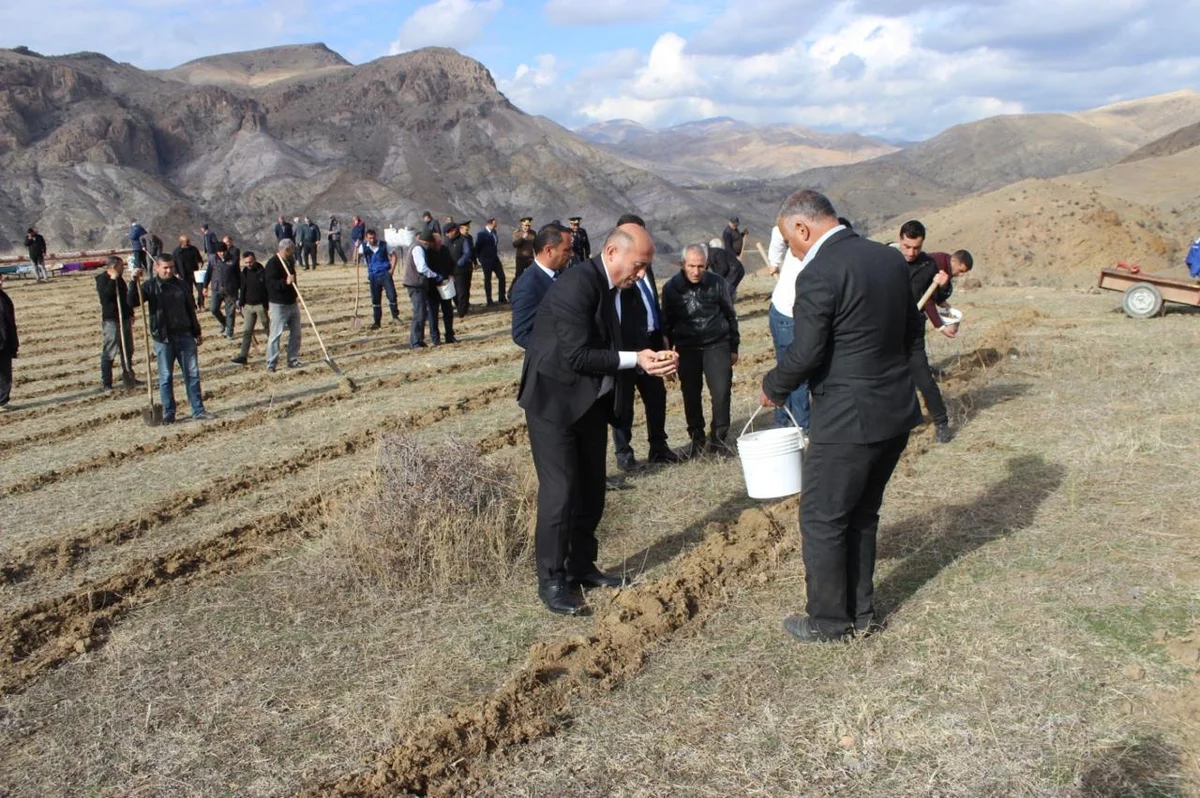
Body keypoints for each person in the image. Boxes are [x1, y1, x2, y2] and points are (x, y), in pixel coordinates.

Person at [760, 190, 922, 643]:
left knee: (823, 517)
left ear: (802, 229)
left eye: (790, 241)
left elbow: (806, 352)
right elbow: (912, 330)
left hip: (847, 418)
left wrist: (773, 386)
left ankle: (829, 621)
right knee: (863, 513)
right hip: (894, 411)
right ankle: (862, 612)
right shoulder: (889, 259)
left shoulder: (819, 272)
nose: (792, 251)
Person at [519, 223, 679, 615]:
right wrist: (635, 359)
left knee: (592, 488)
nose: (641, 275)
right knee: (561, 492)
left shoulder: (614, 287)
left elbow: (615, 341)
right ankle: (553, 580)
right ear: (612, 254)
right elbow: (578, 355)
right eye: (638, 266)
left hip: (590, 401)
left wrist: (650, 357)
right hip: (555, 404)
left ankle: (581, 565)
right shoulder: (579, 285)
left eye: (645, 268)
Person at [610, 216, 677, 470]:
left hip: (652, 339)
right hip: (627, 346)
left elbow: (652, 304)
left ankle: (658, 447)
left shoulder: (644, 267)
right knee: (623, 403)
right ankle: (624, 455)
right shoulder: (617, 269)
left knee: (656, 396)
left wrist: (661, 336)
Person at [662, 243, 739, 458]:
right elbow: (666, 324)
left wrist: (734, 347)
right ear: (682, 265)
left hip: (717, 344)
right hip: (687, 348)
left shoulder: (717, 283)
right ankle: (697, 438)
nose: (696, 271)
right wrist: (667, 353)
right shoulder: (671, 288)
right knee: (691, 394)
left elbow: (730, 315)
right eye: (692, 266)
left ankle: (719, 439)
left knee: (722, 392)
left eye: (701, 266)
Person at [129, 255, 215, 423]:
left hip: (185, 336)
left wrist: (197, 331)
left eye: (171, 267)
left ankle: (198, 410)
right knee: (166, 377)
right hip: (163, 338)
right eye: (165, 268)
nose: (169, 271)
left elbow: (190, 309)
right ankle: (169, 413)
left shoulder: (181, 284)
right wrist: (133, 281)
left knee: (192, 374)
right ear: (157, 268)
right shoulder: (150, 286)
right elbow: (132, 301)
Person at [898, 220, 954, 443]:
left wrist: (943, 285)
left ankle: (941, 421)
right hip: (886, 330)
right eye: (907, 246)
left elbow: (939, 299)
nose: (911, 252)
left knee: (923, 378)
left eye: (916, 248)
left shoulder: (928, 265)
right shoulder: (886, 259)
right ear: (900, 239)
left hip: (912, 332)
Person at [765, 222, 812, 433]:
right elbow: (778, 230)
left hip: (788, 311)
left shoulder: (809, 238)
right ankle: (797, 428)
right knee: (796, 373)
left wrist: (775, 262)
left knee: (789, 370)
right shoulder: (809, 242)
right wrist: (774, 261)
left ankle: (788, 425)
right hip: (788, 314)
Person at [510, 222, 573, 349]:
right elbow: (522, 334)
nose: (572, 254)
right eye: (567, 250)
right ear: (549, 250)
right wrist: (560, 352)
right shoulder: (527, 286)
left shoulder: (564, 274)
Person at [96, 256, 139, 391]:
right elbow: (106, 297)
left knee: (127, 348)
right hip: (111, 320)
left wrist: (130, 313)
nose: (123, 268)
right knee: (110, 349)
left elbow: (125, 297)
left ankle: (128, 376)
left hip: (124, 318)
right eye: (121, 266)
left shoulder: (120, 280)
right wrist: (112, 279)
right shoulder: (102, 279)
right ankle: (107, 382)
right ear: (113, 267)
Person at [399, 230, 444, 349]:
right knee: (419, 313)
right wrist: (435, 275)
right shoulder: (418, 249)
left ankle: (420, 340)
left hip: (417, 284)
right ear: (427, 242)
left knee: (422, 312)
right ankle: (414, 342)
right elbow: (422, 268)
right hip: (415, 284)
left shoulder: (416, 246)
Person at [264, 239, 303, 372]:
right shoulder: (272, 263)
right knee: (275, 335)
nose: (294, 251)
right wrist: (284, 282)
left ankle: (292, 359)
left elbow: (293, 280)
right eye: (292, 249)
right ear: (287, 250)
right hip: (278, 305)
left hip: (292, 302)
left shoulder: (290, 261)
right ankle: (271, 364)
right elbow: (270, 284)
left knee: (296, 333)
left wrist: (295, 291)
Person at [231, 251, 268, 366]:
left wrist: (268, 306)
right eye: (246, 262)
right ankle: (243, 356)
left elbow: (268, 290)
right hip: (247, 306)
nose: (249, 264)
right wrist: (240, 304)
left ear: (255, 260)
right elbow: (242, 289)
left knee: (268, 329)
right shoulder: (244, 273)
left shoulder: (263, 272)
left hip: (261, 306)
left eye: (250, 262)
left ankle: (273, 353)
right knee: (247, 332)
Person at [360, 229, 401, 330]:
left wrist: (392, 270)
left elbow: (394, 256)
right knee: (375, 299)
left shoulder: (384, 244)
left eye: (374, 237)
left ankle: (395, 317)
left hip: (385, 274)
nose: (372, 239)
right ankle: (377, 322)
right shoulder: (364, 246)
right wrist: (356, 250)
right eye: (370, 238)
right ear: (366, 238)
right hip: (373, 276)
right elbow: (355, 258)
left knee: (392, 295)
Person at [426, 232, 458, 345]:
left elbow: (452, 264)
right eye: (437, 242)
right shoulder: (427, 252)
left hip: (445, 285)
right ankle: (435, 338)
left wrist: (451, 274)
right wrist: (436, 280)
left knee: (448, 311)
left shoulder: (444, 250)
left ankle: (450, 335)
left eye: (440, 241)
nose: (439, 243)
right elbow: (426, 270)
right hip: (432, 287)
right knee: (433, 313)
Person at [204, 241, 240, 340]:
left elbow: (238, 275)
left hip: (230, 289)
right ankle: (224, 323)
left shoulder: (233, 259)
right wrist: (204, 286)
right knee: (214, 309)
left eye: (223, 251)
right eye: (219, 252)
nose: (221, 253)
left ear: (226, 250)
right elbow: (208, 273)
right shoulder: (213, 260)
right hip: (216, 288)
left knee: (230, 312)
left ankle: (230, 332)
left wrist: (240, 288)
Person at [475, 217, 507, 305]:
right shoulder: (481, 234)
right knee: (488, 280)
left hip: (495, 259)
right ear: (490, 223)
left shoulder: (494, 232)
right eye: (495, 223)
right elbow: (477, 247)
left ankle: (502, 297)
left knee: (502, 277)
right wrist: (479, 259)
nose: (496, 225)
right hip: (486, 260)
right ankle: (489, 300)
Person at [447, 221, 475, 317]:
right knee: (455, 291)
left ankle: (462, 312)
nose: (467, 231)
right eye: (465, 229)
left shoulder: (465, 239)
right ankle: (462, 307)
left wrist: (460, 262)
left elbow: (468, 253)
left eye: (468, 229)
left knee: (463, 290)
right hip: (452, 270)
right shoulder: (447, 241)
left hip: (464, 269)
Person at [706, 238, 745, 303]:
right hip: (732, 271)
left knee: (726, 292)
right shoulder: (711, 255)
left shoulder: (716, 254)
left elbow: (724, 268)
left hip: (735, 271)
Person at [0, 272, 19, 411]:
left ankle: (2, 401)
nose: (2, 280)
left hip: (5, 340)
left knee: (5, 373)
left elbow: (9, 321)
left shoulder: (3, 296)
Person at [172, 235, 205, 310]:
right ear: (181, 242)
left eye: (188, 241)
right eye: (186, 242)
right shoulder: (176, 252)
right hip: (184, 274)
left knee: (201, 289)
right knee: (189, 291)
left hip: (196, 273)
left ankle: (201, 304)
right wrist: (176, 273)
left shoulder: (193, 249)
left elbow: (199, 259)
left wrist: (200, 263)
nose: (188, 243)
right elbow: (174, 264)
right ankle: (193, 307)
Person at [512, 216, 536, 281]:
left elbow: (535, 245)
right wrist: (522, 238)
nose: (527, 227)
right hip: (520, 258)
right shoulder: (517, 233)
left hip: (530, 258)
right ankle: (514, 290)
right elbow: (515, 245)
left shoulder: (533, 233)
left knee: (532, 275)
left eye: (528, 226)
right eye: (525, 225)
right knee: (518, 276)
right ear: (522, 225)